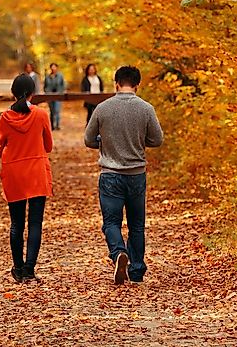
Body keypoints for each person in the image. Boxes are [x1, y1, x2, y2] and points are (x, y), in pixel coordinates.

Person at [83, 65, 163, 285]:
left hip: (110, 175)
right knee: (136, 225)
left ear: (116, 83)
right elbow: (157, 139)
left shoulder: (102, 108)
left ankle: (119, 252)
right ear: (137, 85)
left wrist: (104, 142)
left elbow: (88, 139)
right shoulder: (146, 108)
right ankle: (136, 271)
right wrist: (139, 141)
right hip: (136, 174)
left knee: (111, 222)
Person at [0, 73, 53, 283]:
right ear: (32, 93)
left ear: (13, 93)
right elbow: (48, 146)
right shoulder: (41, 115)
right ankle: (29, 269)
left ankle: (18, 268)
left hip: (14, 174)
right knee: (35, 223)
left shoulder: (5, 117)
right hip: (36, 172)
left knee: (16, 223)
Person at [43, 63, 66, 131]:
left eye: (54, 67)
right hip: (50, 96)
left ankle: (57, 125)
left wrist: (61, 92)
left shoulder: (60, 76)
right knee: (52, 111)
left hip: (58, 95)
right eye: (52, 67)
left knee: (57, 110)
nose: (53, 68)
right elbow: (45, 86)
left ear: (57, 68)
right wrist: (46, 92)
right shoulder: (47, 76)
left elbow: (63, 85)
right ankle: (52, 125)